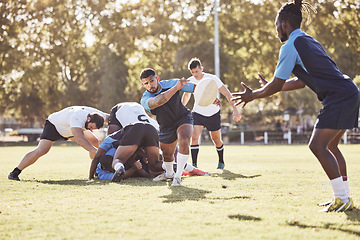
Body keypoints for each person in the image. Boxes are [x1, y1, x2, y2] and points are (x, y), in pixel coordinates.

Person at [231, 0, 359, 212]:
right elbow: (301, 81)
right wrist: (275, 86)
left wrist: (253, 95)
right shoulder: (308, 40)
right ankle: (344, 197)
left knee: (317, 146)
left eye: (276, 26)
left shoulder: (290, 46)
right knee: (331, 146)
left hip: (338, 96)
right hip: (349, 91)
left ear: (283, 24)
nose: (276, 31)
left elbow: (275, 86)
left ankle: (342, 198)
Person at [8, 106, 109, 181]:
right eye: (91, 127)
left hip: (70, 130)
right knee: (42, 150)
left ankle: (96, 171)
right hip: (54, 126)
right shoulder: (77, 117)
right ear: (88, 119)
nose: (90, 129)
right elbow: (80, 140)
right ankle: (15, 172)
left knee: (94, 140)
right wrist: (98, 153)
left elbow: (111, 117)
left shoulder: (96, 115)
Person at [140, 68, 197, 186]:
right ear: (143, 85)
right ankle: (169, 174)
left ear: (157, 79)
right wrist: (176, 88)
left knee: (184, 139)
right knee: (166, 154)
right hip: (165, 126)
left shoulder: (171, 83)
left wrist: (210, 98)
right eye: (146, 83)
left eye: (151, 81)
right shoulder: (145, 99)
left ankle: (178, 176)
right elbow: (157, 102)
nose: (150, 85)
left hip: (182, 118)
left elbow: (196, 88)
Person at [182, 58, 241, 169]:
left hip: (213, 114)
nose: (195, 74)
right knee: (194, 137)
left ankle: (221, 162)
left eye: (197, 71)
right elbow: (186, 96)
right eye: (192, 72)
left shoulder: (212, 79)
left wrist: (235, 109)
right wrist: (180, 111)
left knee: (216, 139)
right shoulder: (190, 81)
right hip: (197, 113)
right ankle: (194, 165)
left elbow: (227, 94)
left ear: (201, 69)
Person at [89, 122, 163, 181]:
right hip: (150, 128)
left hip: (134, 129)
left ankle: (118, 166)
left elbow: (96, 158)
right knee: (154, 164)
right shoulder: (112, 148)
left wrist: (90, 177)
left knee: (118, 160)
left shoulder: (110, 142)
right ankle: (172, 167)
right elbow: (96, 159)